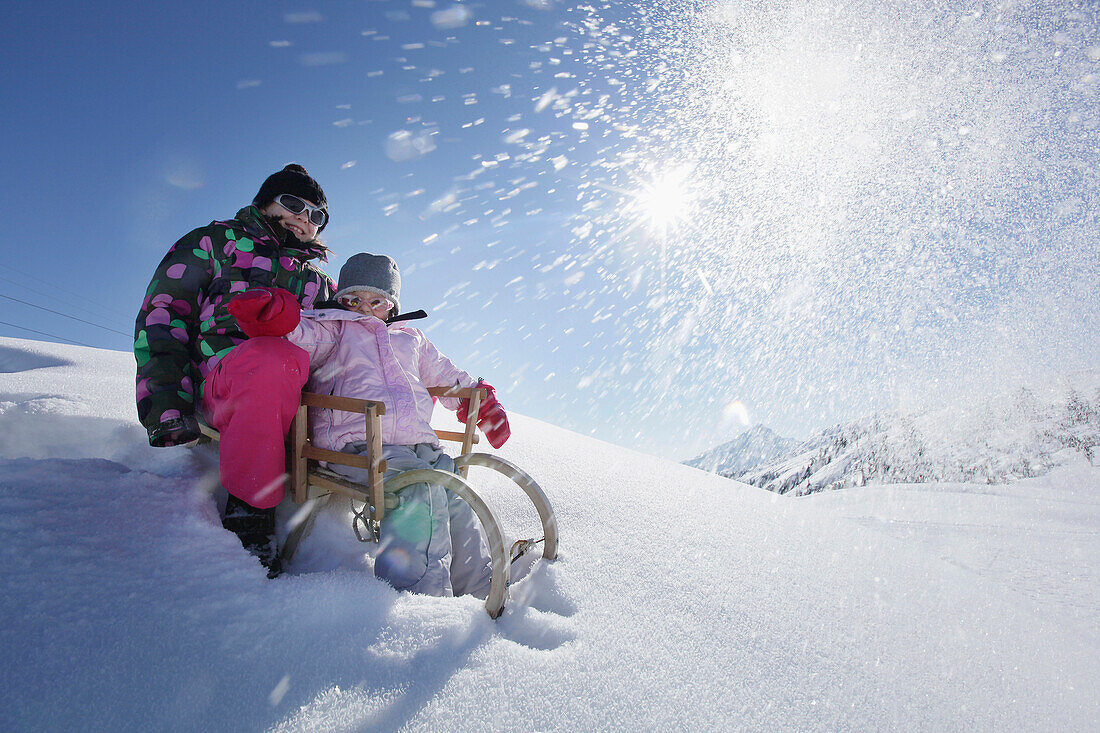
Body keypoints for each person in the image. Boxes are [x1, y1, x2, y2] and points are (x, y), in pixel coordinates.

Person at [227, 253, 511, 598]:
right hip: (356, 445)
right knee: (418, 490)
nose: (364, 308)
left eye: (376, 301)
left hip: (417, 446)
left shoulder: (411, 339)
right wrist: (273, 314)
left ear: (391, 305)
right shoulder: (331, 328)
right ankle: (417, 593)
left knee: (456, 491)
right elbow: (295, 334)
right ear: (340, 299)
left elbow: (449, 376)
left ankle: (479, 588)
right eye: (353, 299)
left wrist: (481, 404)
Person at [134, 164, 335, 577]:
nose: (304, 218)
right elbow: (164, 313)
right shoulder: (215, 242)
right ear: (265, 202)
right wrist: (168, 401)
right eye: (294, 204)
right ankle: (251, 517)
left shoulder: (319, 282)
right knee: (270, 357)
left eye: (317, 215)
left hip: (297, 401)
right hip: (221, 384)